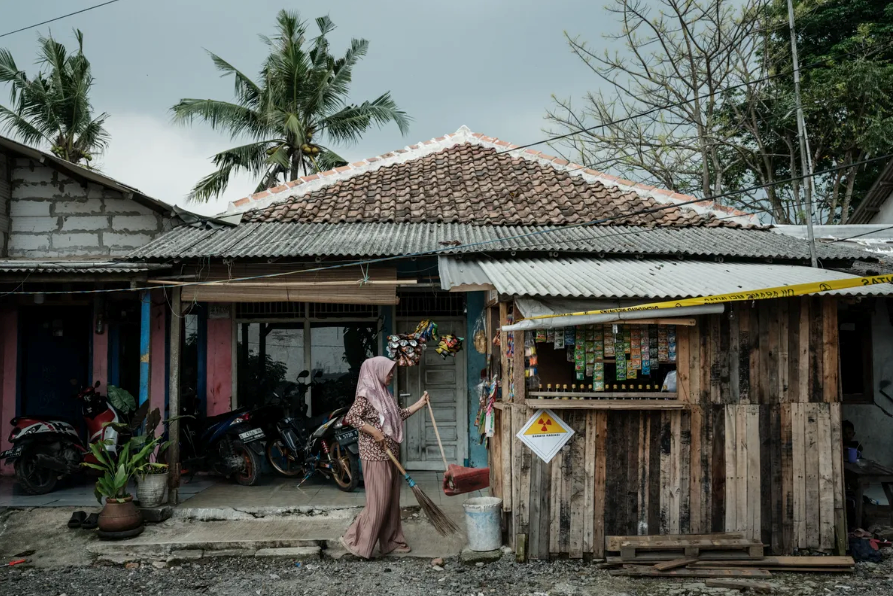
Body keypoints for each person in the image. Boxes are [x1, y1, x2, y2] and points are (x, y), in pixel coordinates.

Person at [339, 356, 429, 559]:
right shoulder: (366, 393)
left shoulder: (384, 394)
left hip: (391, 453)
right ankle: (355, 540)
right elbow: (351, 418)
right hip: (374, 455)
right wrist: (374, 431)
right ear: (377, 371)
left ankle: (391, 542)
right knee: (379, 501)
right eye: (388, 372)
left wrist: (420, 404)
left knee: (391, 501)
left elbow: (398, 415)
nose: (391, 375)